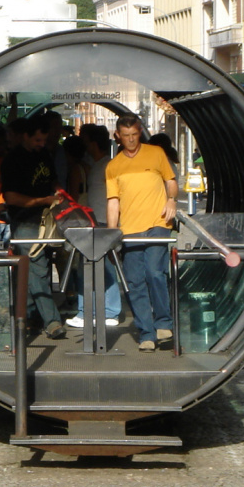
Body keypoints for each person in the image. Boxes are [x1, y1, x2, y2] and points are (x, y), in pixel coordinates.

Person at [106, 115, 177, 352]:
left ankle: (163, 323)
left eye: (134, 135)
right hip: (129, 229)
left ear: (140, 132)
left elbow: (171, 180)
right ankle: (146, 333)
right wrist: (112, 233)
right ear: (118, 136)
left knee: (155, 271)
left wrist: (172, 201)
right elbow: (113, 202)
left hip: (158, 222)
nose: (131, 140)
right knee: (135, 282)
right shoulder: (113, 166)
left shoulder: (156, 153)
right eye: (125, 136)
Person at [1, 114, 65, 339]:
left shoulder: (43, 155)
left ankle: (25, 317)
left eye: (44, 140)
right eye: (37, 140)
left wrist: (57, 192)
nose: (41, 144)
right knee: (38, 267)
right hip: (26, 220)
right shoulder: (12, 161)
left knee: (34, 269)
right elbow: (11, 197)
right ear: (25, 136)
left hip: (46, 220)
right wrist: (43, 200)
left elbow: (53, 180)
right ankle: (52, 320)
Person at [66, 124, 121, 329]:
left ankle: (107, 311)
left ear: (93, 143)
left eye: (85, 139)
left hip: (102, 222)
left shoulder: (108, 166)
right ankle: (90, 310)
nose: (83, 143)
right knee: (90, 266)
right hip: (93, 221)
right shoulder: (95, 164)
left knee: (102, 266)